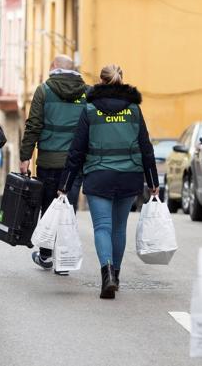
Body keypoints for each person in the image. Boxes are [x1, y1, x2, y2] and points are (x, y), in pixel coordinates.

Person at [58, 64, 159, 299]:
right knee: (119, 228)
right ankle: (117, 274)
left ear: (101, 83)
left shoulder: (90, 110)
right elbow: (146, 147)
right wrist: (153, 180)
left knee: (102, 227)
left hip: (99, 176)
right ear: (122, 81)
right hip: (129, 175)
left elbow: (77, 150)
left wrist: (65, 183)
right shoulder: (133, 109)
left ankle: (107, 276)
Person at [19, 55, 87, 274]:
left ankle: (46, 256)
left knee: (48, 207)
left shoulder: (44, 90)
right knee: (68, 209)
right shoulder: (86, 92)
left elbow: (34, 125)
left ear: (53, 67)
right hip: (75, 163)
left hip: (48, 160)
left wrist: (25, 156)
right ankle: (64, 261)